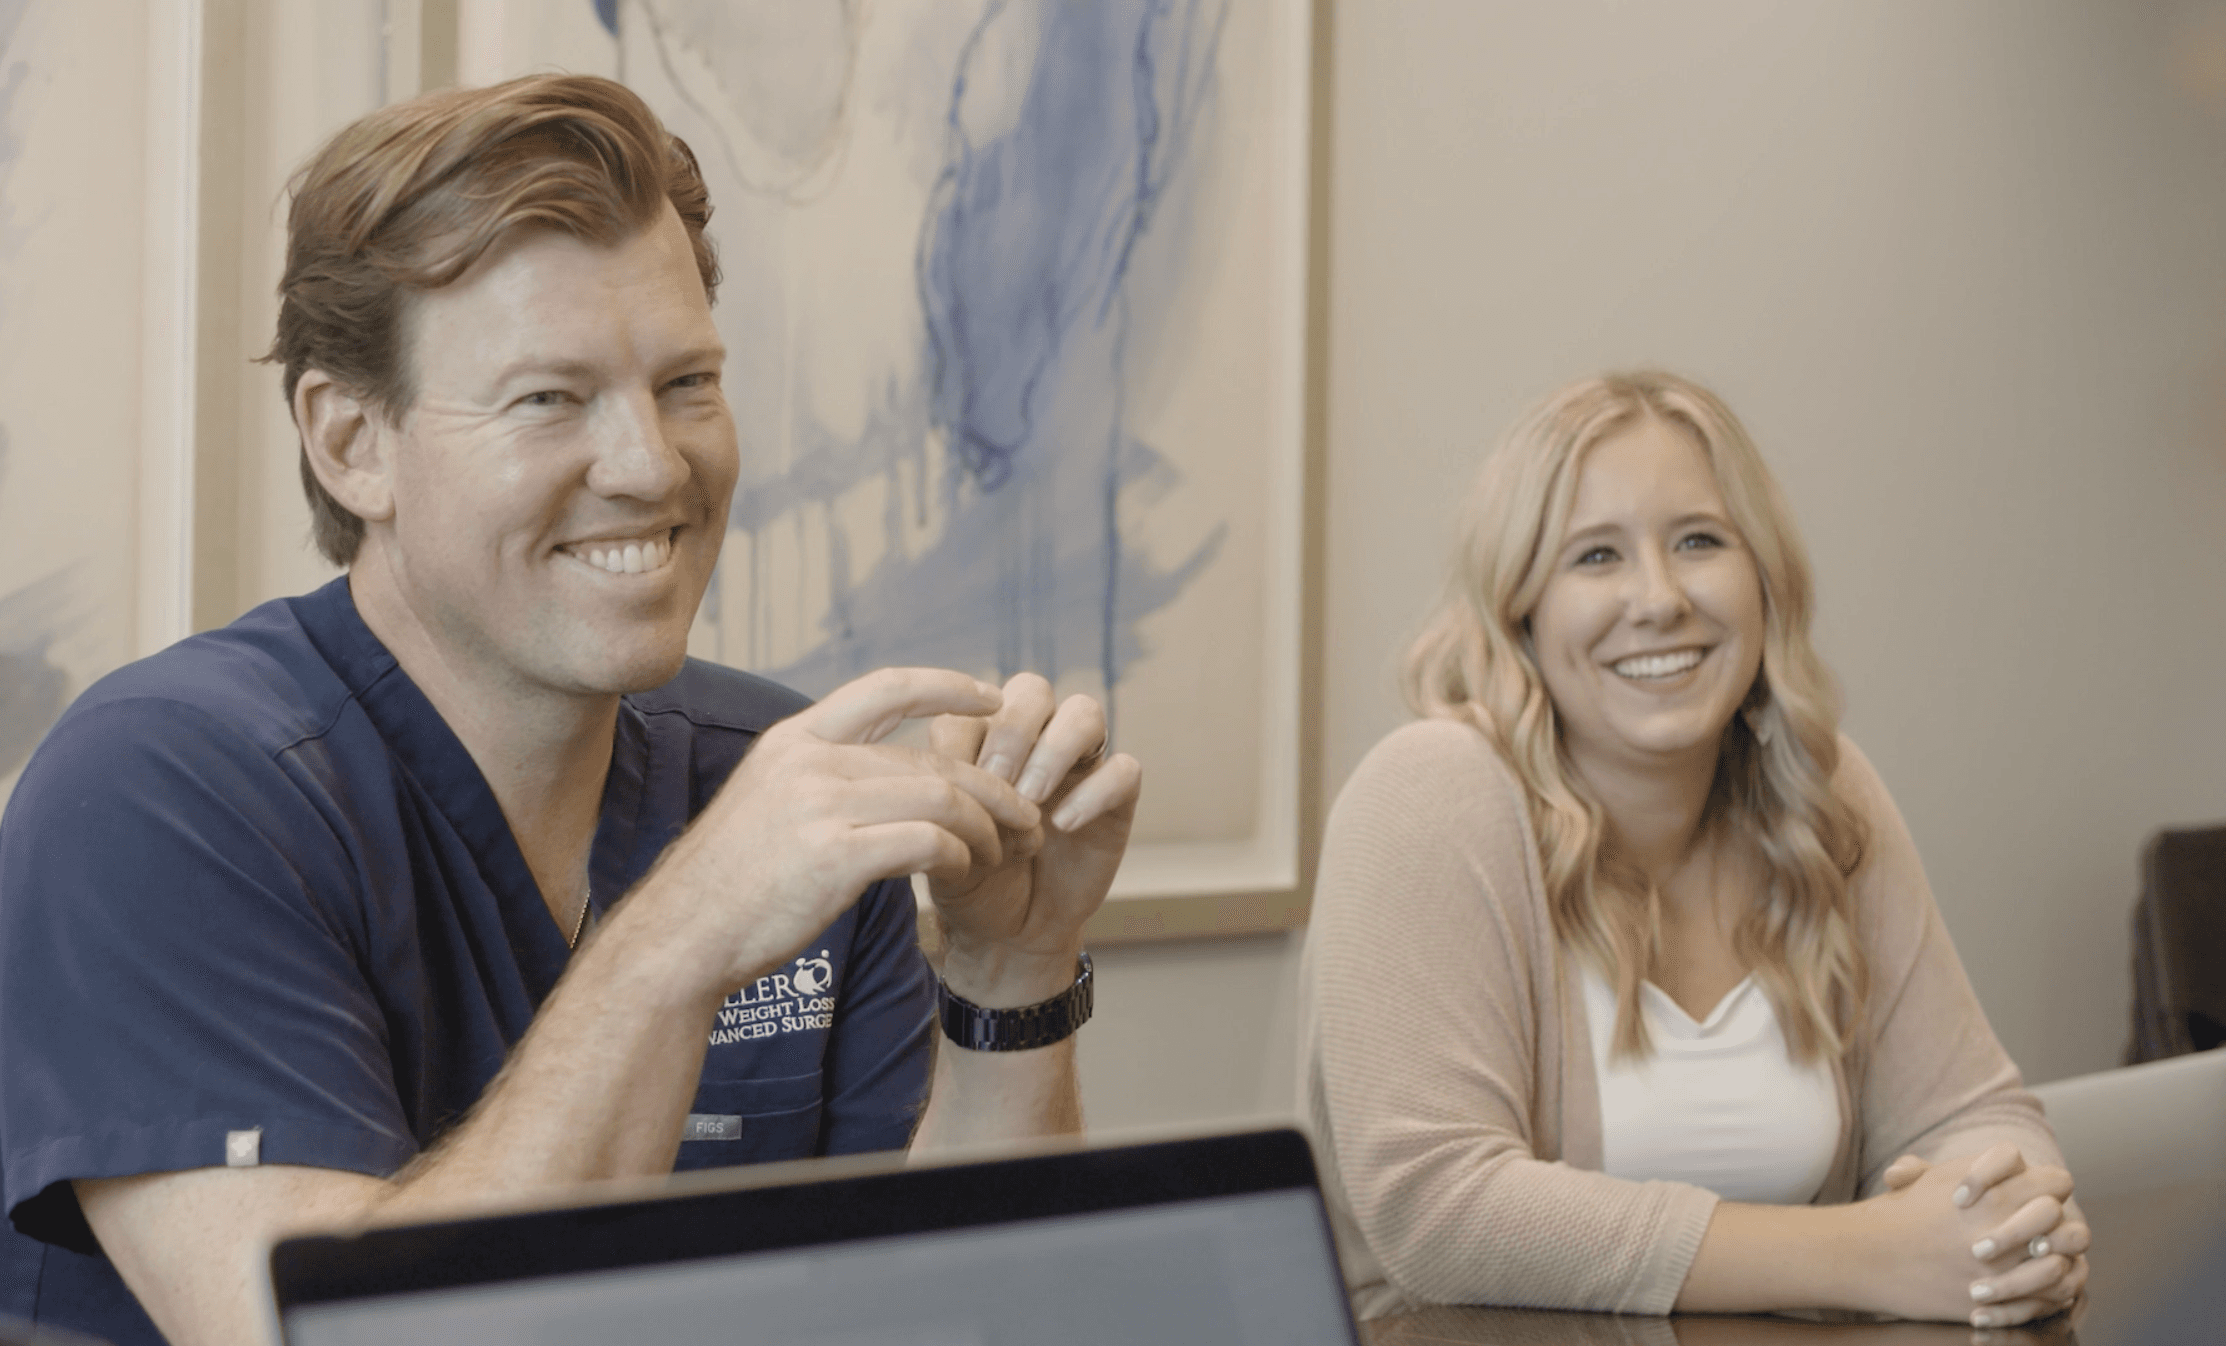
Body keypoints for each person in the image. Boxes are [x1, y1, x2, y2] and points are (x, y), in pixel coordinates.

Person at [0, 75, 1140, 1346]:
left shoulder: (777, 780)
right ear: (348, 443)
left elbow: (963, 1318)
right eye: (549, 397)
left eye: (688, 383)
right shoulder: (160, 790)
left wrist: (1009, 973)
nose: (653, 463)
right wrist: (686, 930)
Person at [1298, 371, 2088, 1328]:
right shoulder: (1429, 793)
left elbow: (1978, 1114)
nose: (1659, 598)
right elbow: (1441, 1207)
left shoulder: (1822, 793)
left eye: (1700, 542)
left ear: (1764, 579)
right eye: (1595, 557)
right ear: (1522, 613)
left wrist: (2007, 1230)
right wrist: (1869, 1257)